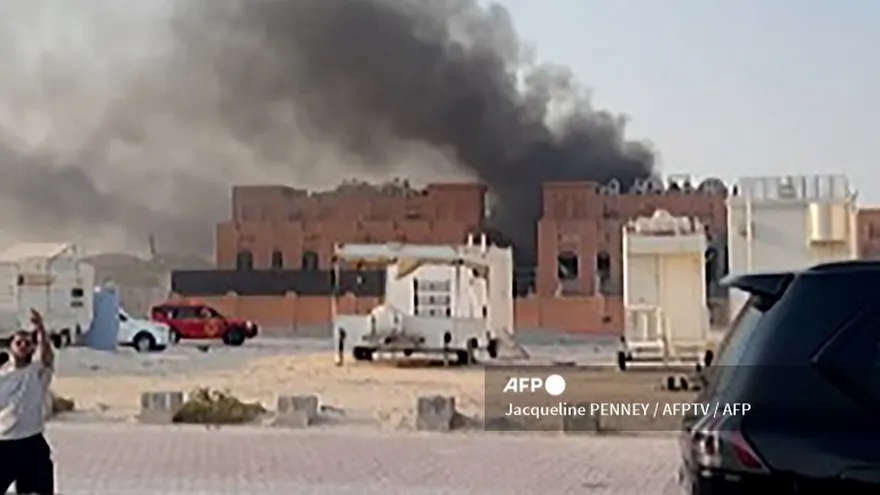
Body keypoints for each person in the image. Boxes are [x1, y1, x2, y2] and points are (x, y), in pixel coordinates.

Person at [0, 309, 55, 494]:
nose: (23, 346)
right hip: (4, 444)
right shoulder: (2, 377)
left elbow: (47, 357)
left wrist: (41, 329)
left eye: (28, 343)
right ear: (10, 347)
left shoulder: (37, 372)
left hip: (32, 443)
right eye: (19, 342)